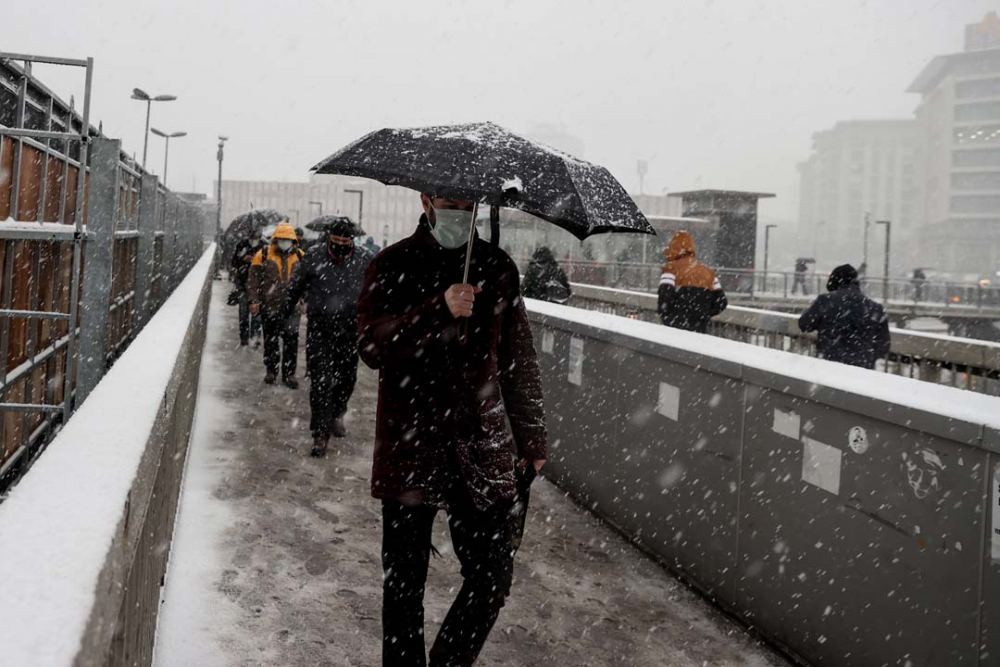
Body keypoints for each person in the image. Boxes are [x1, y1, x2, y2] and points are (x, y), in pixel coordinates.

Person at [358, 194, 546, 667]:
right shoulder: (392, 262)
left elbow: (518, 360)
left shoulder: (497, 267)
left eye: (466, 200)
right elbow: (372, 346)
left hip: (477, 449)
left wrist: (533, 440)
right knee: (404, 591)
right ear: (426, 200)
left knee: (491, 579)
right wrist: (437, 310)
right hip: (410, 446)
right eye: (448, 199)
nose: (459, 208)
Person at [283, 217, 373, 455]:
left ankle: (337, 414)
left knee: (346, 379)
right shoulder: (313, 256)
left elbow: (378, 290)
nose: (340, 245)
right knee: (321, 381)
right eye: (336, 240)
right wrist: (285, 312)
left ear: (352, 240)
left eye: (345, 241)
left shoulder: (365, 259)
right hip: (320, 330)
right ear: (328, 238)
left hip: (351, 331)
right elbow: (295, 286)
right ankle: (320, 433)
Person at [798, 263, 891, 369]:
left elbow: (804, 324)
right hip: (863, 370)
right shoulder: (875, 308)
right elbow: (884, 345)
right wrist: (867, 356)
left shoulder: (826, 301)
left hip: (830, 366)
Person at [249, 223, 304, 387]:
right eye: (281, 239)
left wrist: (306, 300)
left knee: (291, 342)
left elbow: (308, 281)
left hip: (292, 308)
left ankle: (289, 374)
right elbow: (253, 279)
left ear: (293, 240)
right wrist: (254, 300)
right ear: (276, 239)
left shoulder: (301, 256)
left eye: (288, 239)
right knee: (271, 341)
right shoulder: (264, 254)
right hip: (270, 306)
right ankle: (271, 370)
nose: (284, 242)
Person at [657, 230, 727, 333]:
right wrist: (705, 313)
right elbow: (721, 302)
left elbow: (665, 294)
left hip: (675, 327)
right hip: (699, 328)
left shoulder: (671, 268)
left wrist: (667, 315)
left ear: (672, 248)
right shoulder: (708, 272)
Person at [230, 228, 263, 346]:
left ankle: (255, 337)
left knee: (256, 314)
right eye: (253, 239)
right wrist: (243, 259)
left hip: (258, 285)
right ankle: (244, 337)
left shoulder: (263, 247)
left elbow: (267, 264)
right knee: (243, 314)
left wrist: (256, 260)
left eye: (256, 239)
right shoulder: (242, 245)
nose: (254, 241)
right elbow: (234, 262)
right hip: (243, 284)